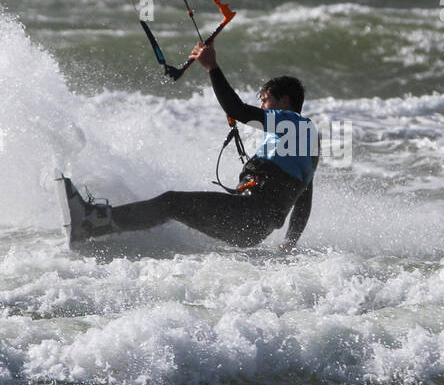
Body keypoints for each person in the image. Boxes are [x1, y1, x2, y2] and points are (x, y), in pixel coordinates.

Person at [62, 39, 317, 250]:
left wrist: (212, 67)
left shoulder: (291, 121)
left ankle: (92, 223)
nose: (262, 107)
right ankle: (106, 236)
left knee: (172, 203)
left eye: (265, 101)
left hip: (247, 214)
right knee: (176, 209)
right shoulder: (307, 144)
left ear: (285, 102)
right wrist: (288, 245)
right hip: (252, 229)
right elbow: (304, 202)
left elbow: (237, 109)